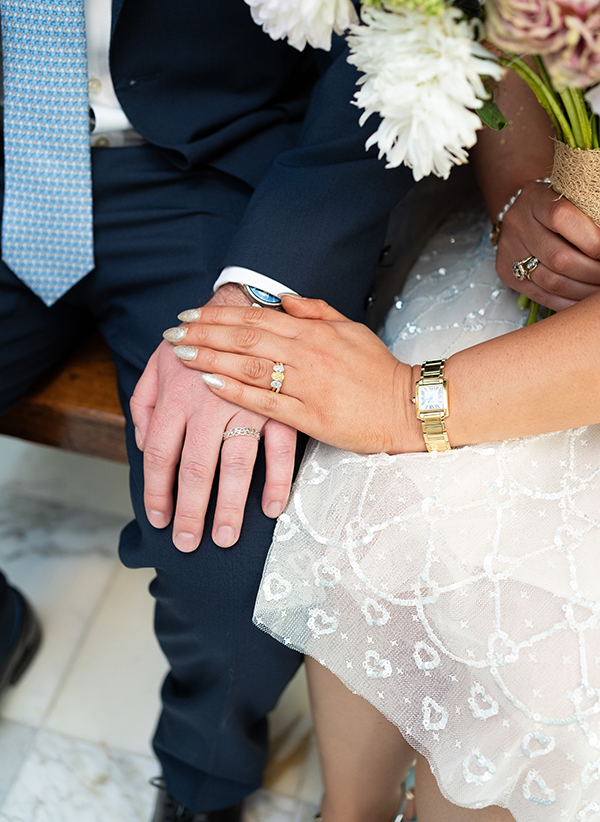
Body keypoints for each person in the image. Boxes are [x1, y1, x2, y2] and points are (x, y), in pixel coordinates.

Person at [0, 0, 431, 820]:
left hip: (207, 167)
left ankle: (205, 771)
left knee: (228, 539)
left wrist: (265, 287)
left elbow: (393, 36)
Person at [161, 64, 600, 821]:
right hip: (545, 258)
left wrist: (405, 401)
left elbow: (401, 404)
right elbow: (505, 49)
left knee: (547, 629)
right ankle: (351, 807)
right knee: (377, 492)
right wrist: (525, 199)